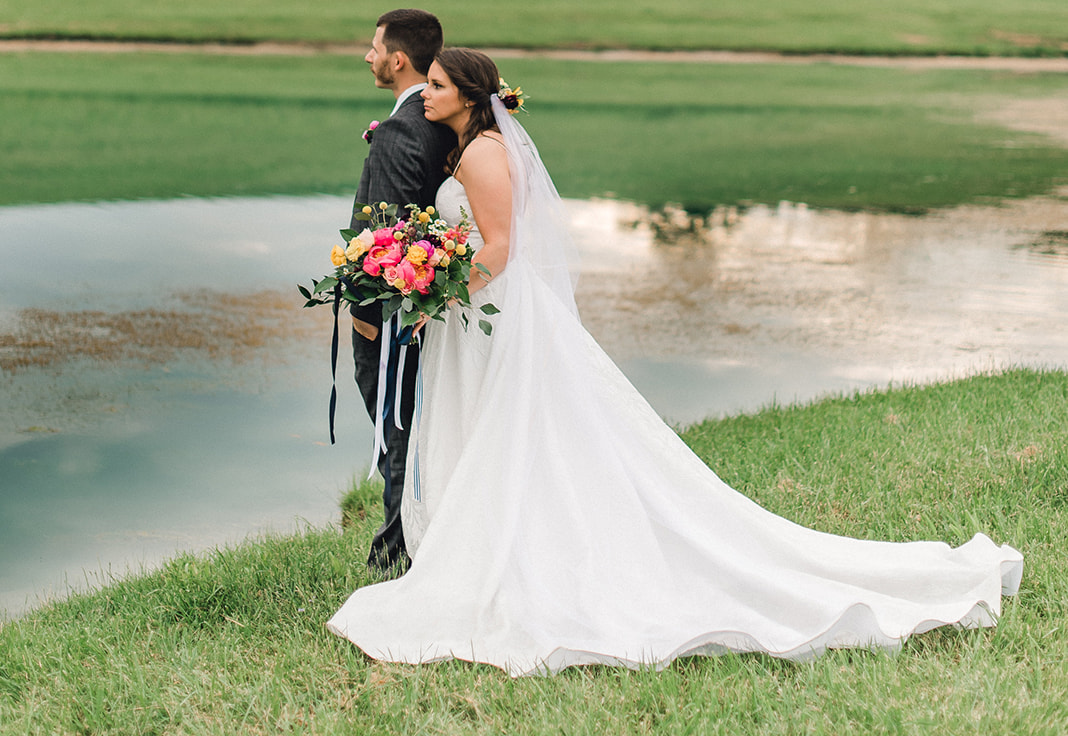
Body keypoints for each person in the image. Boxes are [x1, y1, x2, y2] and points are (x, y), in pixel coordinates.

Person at [329, 48, 1022, 676]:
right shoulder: (471, 144)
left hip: (491, 316)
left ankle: (505, 561)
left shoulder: (479, 153)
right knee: (507, 434)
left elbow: (500, 246)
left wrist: (437, 292)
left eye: (440, 85)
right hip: (482, 317)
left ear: (470, 96)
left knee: (506, 433)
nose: (427, 93)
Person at [347, 8, 454, 571]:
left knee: (395, 425)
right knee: (420, 422)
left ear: (398, 59)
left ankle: (396, 551)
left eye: (373, 47)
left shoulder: (399, 130)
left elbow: (382, 236)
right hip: (437, 308)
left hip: (394, 318)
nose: (367, 56)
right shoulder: (446, 119)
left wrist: (366, 316)